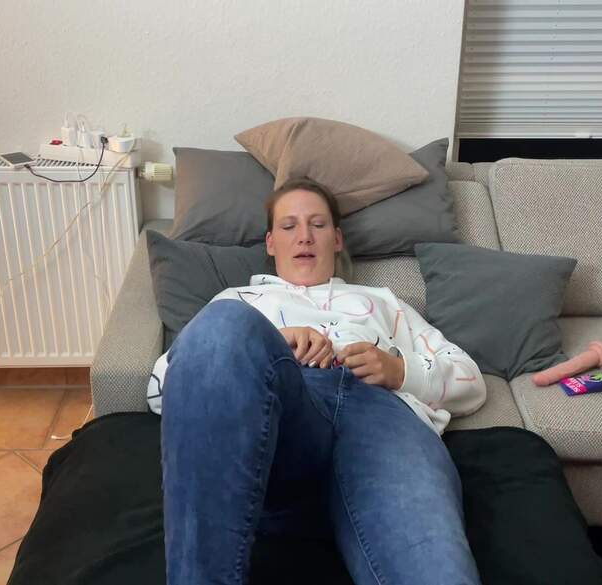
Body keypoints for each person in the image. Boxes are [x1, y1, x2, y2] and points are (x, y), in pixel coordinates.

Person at [152, 178, 487, 585]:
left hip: (383, 422)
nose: (305, 237)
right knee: (222, 326)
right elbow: (162, 387)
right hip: (283, 428)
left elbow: (471, 380)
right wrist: (268, 347)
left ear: (337, 239)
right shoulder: (237, 301)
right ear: (271, 243)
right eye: (289, 226)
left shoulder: (386, 302)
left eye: (318, 224)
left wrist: (400, 370)